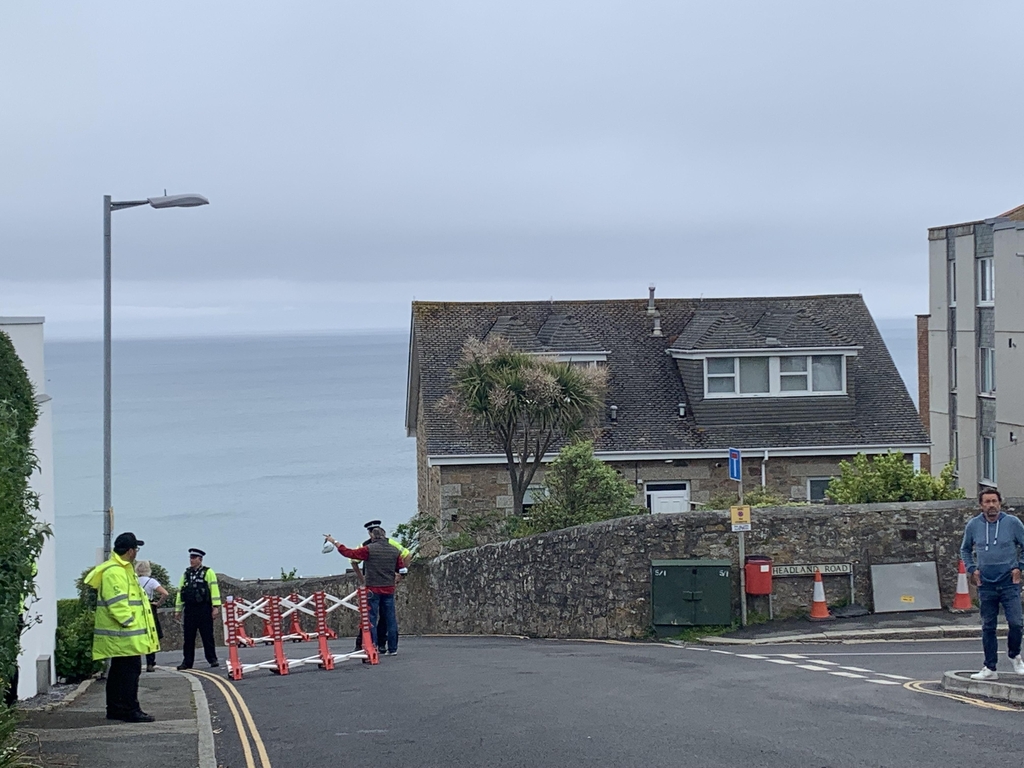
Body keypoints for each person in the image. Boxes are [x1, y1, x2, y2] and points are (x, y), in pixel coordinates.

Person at [83, 532, 159, 722]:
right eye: (136, 549)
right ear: (131, 551)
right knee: (129, 673)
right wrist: (129, 621)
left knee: (119, 672)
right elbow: (116, 602)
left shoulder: (122, 569)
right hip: (124, 635)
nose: (136, 553)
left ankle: (116, 708)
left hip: (123, 635)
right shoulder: (115, 571)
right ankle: (129, 709)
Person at [960, 488, 1024, 680]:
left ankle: (1015, 656)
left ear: (1000, 503)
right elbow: (964, 550)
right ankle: (990, 668)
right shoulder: (973, 525)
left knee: (1016, 623)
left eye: (994, 501)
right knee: (988, 626)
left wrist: (1019, 567)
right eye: (987, 502)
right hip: (986, 583)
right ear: (981, 505)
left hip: (1008, 582)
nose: (991, 505)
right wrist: (973, 569)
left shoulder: (1012, 523)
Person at [325, 527, 405, 656]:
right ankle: (392, 648)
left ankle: (372, 646)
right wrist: (398, 578)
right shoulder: (394, 551)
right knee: (391, 619)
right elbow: (402, 569)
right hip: (389, 588)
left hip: (373, 588)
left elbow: (349, 553)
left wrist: (334, 541)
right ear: (384, 536)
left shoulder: (369, 549)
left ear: (372, 536)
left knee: (371, 619)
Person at [350, 520, 411, 654]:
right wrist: (399, 574)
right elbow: (406, 554)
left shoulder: (365, 546)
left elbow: (353, 560)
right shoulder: (391, 545)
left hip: (373, 585)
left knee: (369, 617)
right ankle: (388, 646)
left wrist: (362, 578)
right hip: (388, 585)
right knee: (388, 617)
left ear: (371, 533)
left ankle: (372, 645)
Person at [174, 548, 222, 670]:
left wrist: (215, 607)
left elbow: (214, 589)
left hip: (204, 608)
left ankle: (212, 659)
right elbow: (180, 592)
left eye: (194, 558)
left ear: (200, 559)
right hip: (190, 609)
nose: (191, 560)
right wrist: (178, 609)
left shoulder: (208, 572)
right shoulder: (186, 574)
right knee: (188, 638)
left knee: (207, 635)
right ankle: (187, 662)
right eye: (191, 558)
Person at [135, 560, 169, 672]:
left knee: (137, 636)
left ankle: (136, 663)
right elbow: (165, 593)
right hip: (149, 608)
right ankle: (150, 663)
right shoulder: (151, 581)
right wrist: (158, 603)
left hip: (135, 609)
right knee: (150, 636)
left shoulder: (133, 581)